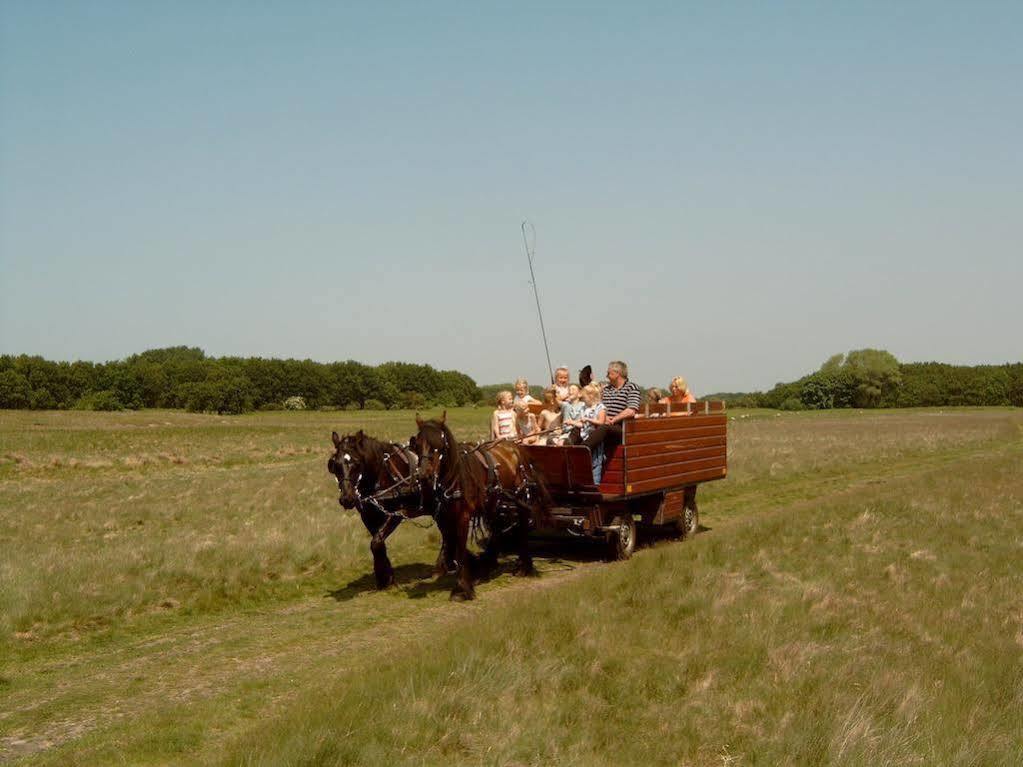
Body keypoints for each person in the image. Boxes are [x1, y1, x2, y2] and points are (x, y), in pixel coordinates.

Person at [581, 360, 642, 451]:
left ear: (617, 373)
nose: (606, 375)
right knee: (581, 425)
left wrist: (613, 419)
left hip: (621, 427)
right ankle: (566, 449)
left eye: (608, 373)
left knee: (604, 428)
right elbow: (596, 405)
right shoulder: (606, 389)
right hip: (603, 421)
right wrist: (604, 418)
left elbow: (631, 411)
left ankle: (582, 451)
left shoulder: (631, 388)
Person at [578, 383, 607, 482]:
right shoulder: (584, 408)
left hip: (595, 441)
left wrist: (588, 419)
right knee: (586, 463)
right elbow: (582, 424)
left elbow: (601, 422)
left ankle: (596, 485)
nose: (583, 399)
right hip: (585, 438)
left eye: (584, 397)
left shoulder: (600, 407)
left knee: (595, 464)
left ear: (590, 396)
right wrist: (571, 422)